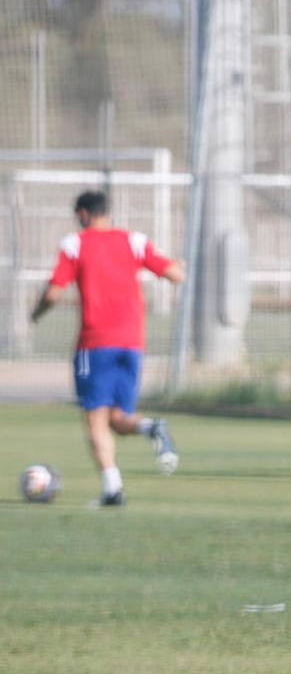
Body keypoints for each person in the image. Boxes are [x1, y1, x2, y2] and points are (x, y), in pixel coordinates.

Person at [31, 190, 184, 506]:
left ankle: (113, 490)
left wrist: (36, 313)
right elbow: (175, 274)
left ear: (83, 214)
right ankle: (152, 427)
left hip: (96, 344)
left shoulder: (75, 243)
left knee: (95, 419)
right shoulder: (135, 241)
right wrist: (178, 263)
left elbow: (53, 293)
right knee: (117, 418)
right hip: (133, 343)